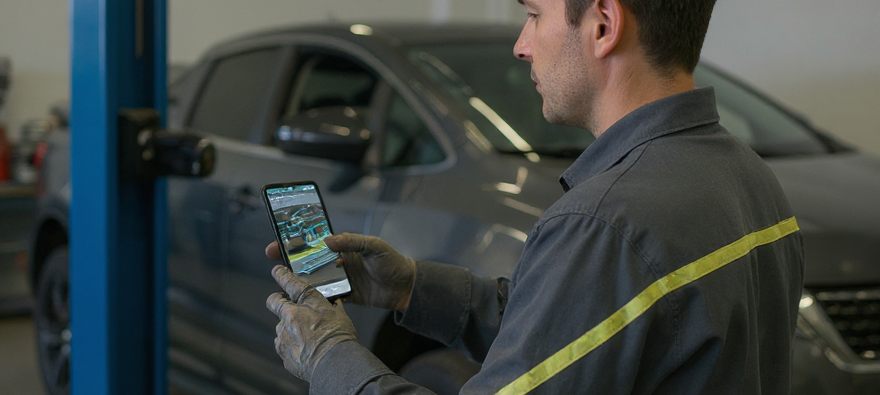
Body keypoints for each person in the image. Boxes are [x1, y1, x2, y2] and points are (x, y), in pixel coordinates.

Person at [265, 0, 805, 393]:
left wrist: (329, 357)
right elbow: (588, 337)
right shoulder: (750, 177)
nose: (522, 45)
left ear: (603, 24)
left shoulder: (605, 223)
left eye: (533, 14)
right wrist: (412, 288)